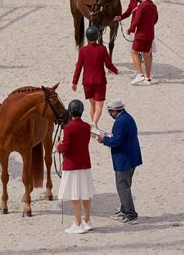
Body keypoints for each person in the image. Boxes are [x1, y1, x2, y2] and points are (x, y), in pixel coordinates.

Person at [97, 100, 142, 224]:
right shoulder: (127, 118)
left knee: (122, 186)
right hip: (131, 157)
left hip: (124, 159)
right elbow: (120, 137)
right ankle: (124, 210)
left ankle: (130, 213)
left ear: (115, 111)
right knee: (124, 185)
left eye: (110, 111)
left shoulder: (120, 122)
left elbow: (116, 141)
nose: (110, 114)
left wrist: (103, 139)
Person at [56, 99, 94, 234]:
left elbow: (65, 147)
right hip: (84, 163)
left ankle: (78, 223)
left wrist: (58, 146)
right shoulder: (86, 126)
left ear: (70, 112)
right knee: (85, 194)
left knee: (75, 195)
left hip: (72, 165)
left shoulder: (68, 128)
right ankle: (87, 220)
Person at [72, 26, 118, 127]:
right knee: (99, 106)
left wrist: (74, 82)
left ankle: (93, 127)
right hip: (99, 81)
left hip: (87, 82)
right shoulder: (102, 49)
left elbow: (78, 67)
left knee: (92, 105)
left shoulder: (82, 50)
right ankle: (94, 123)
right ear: (98, 36)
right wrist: (115, 70)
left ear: (87, 37)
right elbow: (108, 64)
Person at [127, 0, 158, 85]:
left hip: (141, 34)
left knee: (134, 52)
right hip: (150, 34)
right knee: (147, 54)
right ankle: (148, 78)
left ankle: (140, 74)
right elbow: (156, 19)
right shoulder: (153, 5)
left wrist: (130, 29)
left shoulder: (141, 6)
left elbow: (136, 20)